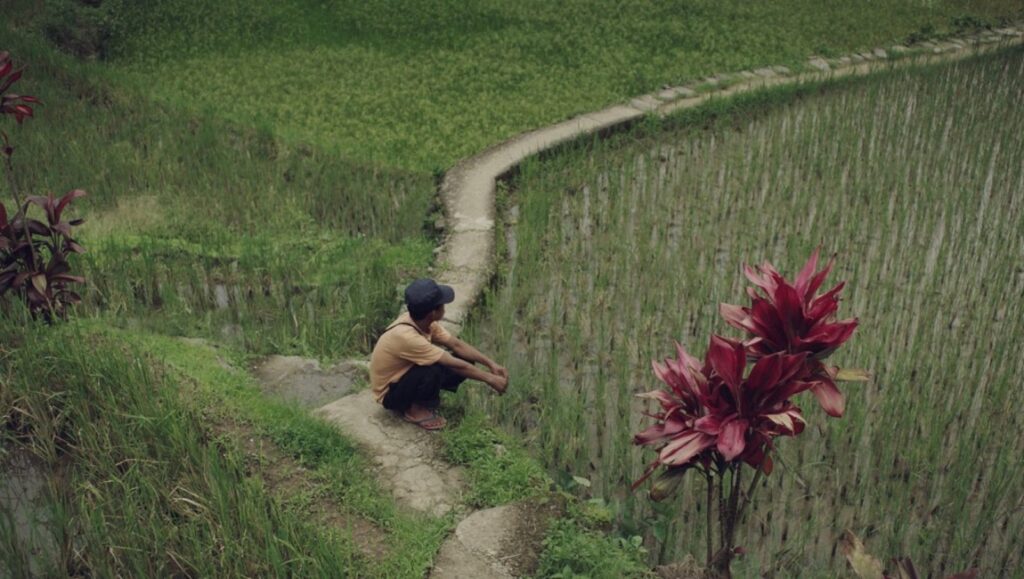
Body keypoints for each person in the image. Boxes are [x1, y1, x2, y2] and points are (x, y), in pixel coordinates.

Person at [369, 278, 509, 430]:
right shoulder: (407, 336)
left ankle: (423, 396)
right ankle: (415, 411)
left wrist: (491, 364)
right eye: (442, 304)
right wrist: (490, 379)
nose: (445, 306)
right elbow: (450, 362)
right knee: (433, 368)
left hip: (403, 378)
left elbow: (456, 345)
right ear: (433, 312)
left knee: (464, 359)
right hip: (390, 395)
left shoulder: (423, 322)